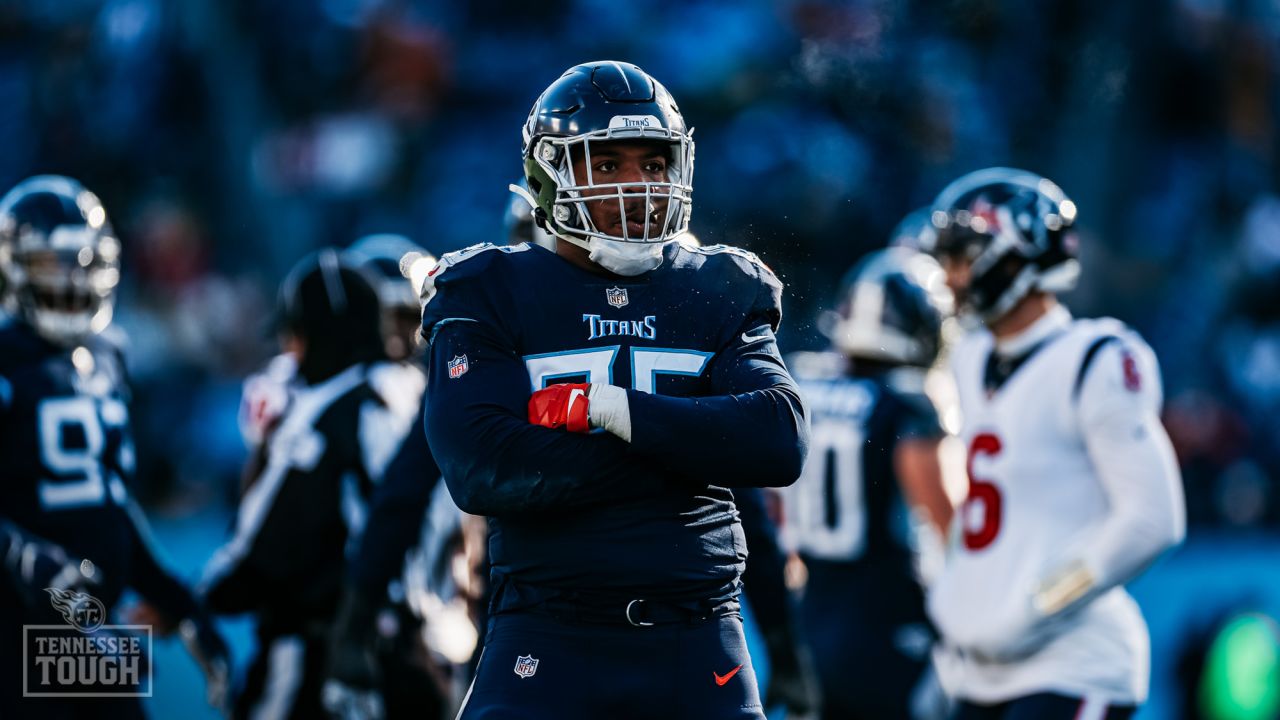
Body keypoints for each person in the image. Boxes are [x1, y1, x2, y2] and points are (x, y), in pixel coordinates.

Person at [419, 60, 809, 719]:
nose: (637, 187)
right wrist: (688, 450)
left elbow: (778, 440)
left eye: (653, 165)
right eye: (607, 164)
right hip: (546, 639)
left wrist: (615, 410)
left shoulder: (718, 286)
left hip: (698, 640)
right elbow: (483, 467)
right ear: (549, 173)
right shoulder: (487, 288)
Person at [921, 167, 1186, 719]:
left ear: (1015, 255)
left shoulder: (1096, 357)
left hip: (1070, 662)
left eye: (962, 258)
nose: (950, 278)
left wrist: (1040, 603)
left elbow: (1153, 519)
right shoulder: (969, 359)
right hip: (980, 668)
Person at [0, 175, 228, 718]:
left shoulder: (107, 354)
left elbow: (108, 498)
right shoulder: (6, 358)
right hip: (15, 624)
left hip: (93, 621)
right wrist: (28, 559)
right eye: (55, 264)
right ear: (13, 267)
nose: (75, 281)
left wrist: (172, 595)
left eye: (85, 262)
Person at [200, 249, 420, 719]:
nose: (287, 351)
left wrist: (195, 600)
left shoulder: (321, 419)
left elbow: (258, 557)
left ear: (317, 337)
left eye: (293, 336)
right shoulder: (411, 394)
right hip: (407, 646)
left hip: (322, 653)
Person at [782, 245, 955, 719]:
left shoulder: (800, 387)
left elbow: (774, 511)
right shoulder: (906, 406)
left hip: (811, 622)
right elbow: (951, 529)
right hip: (891, 628)